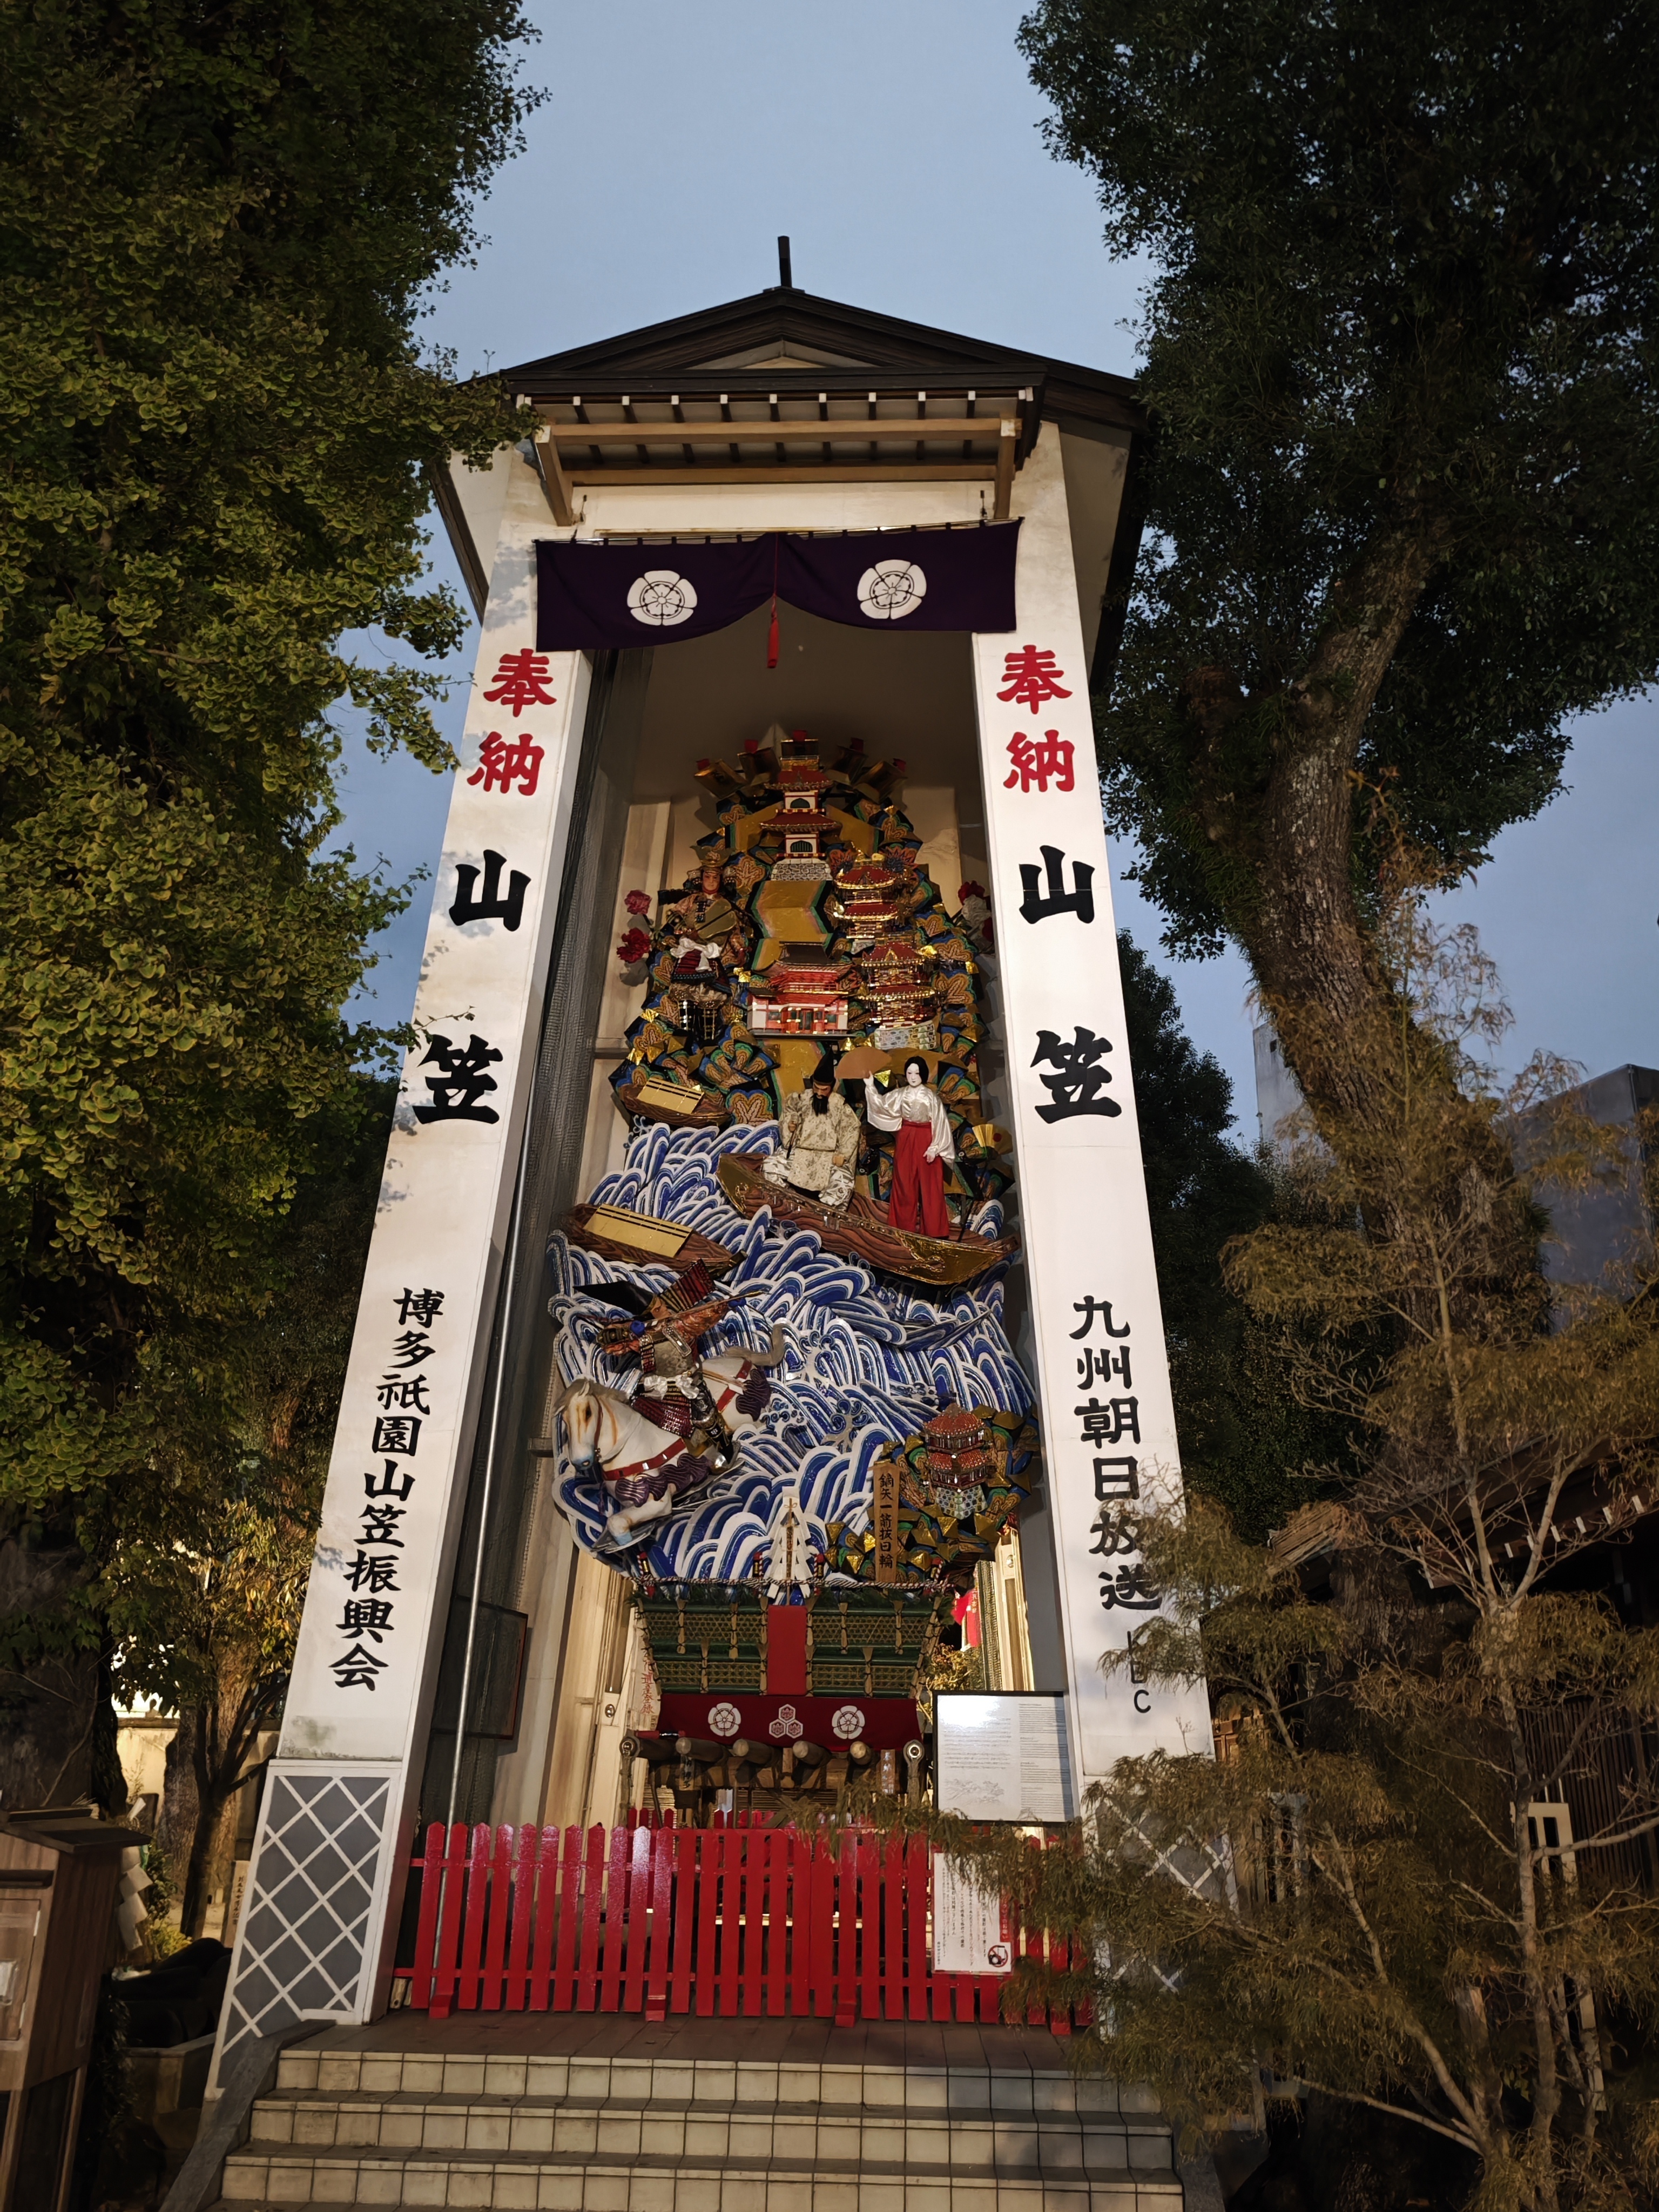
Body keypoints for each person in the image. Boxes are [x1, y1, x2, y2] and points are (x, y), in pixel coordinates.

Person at [864, 1056, 954, 1238]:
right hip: (906, 1137)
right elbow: (881, 1106)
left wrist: (935, 1147)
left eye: (917, 1073)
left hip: (927, 1138)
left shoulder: (931, 1097)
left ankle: (935, 1232)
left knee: (931, 1185)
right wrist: (870, 1087)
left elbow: (941, 1123)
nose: (913, 1077)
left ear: (923, 1075)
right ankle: (902, 1229)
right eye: (910, 1073)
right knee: (904, 1181)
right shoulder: (900, 1094)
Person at [764, 1054, 862, 1210]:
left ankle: (824, 1212)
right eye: (816, 1087)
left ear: (831, 1087)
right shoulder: (801, 1099)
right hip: (801, 1155)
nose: (819, 1093)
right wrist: (790, 1128)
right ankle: (788, 1203)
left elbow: (851, 1129)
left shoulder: (839, 1105)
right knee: (770, 1166)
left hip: (828, 1158)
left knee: (844, 1182)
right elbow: (789, 1113)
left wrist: (843, 1154)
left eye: (825, 1090)